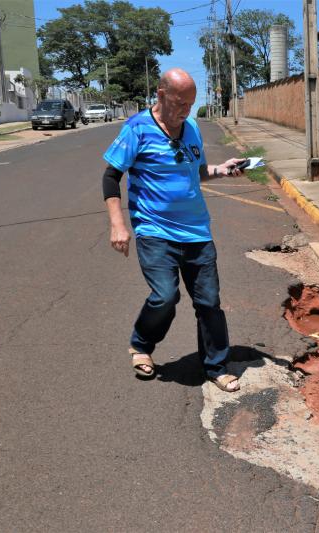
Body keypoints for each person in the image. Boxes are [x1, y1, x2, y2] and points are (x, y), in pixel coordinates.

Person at [101, 68, 244, 392]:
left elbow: (197, 171)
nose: (186, 112)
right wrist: (118, 225)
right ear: (162, 96)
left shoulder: (191, 127)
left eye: (191, 105)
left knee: (209, 302)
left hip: (196, 231)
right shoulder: (137, 128)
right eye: (180, 104)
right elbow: (111, 177)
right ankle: (141, 344)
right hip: (154, 230)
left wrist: (221, 170)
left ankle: (216, 366)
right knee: (165, 295)